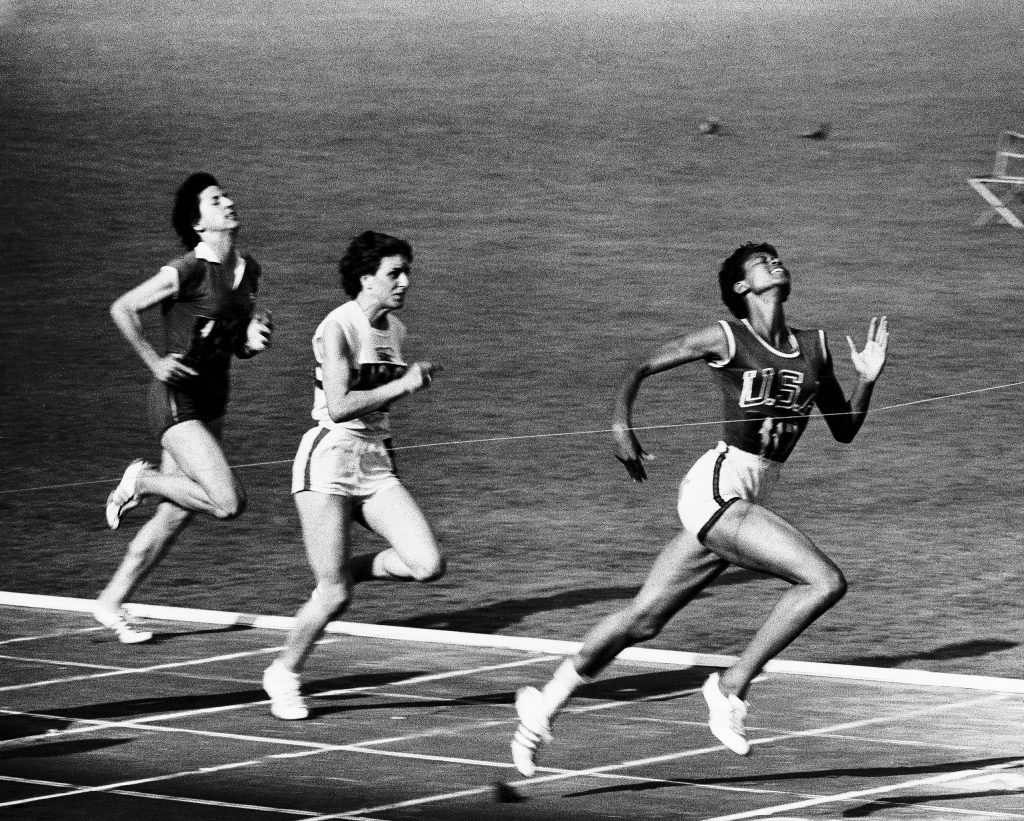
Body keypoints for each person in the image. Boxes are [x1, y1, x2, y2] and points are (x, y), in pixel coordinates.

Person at [511, 242, 889, 776]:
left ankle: (542, 704)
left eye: (776, 258)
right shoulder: (727, 336)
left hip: (752, 495)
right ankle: (730, 686)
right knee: (823, 581)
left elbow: (844, 429)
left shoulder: (814, 346)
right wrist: (622, 422)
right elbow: (641, 366)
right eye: (762, 262)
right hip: (718, 486)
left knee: (642, 620)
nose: (774, 263)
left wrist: (867, 378)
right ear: (741, 287)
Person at [261, 230, 445, 720]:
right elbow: (341, 406)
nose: (405, 281)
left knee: (427, 564)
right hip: (329, 459)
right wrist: (405, 385)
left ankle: (343, 567)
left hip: (376, 461)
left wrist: (390, 460)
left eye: (407, 272)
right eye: (394, 273)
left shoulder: (395, 332)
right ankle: (284, 673)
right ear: (366, 278)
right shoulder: (337, 327)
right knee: (335, 594)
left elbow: (379, 416)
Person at [94, 172, 273, 643]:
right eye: (216, 200)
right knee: (227, 502)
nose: (228, 202)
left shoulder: (248, 269)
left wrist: (251, 342)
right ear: (198, 223)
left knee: (175, 514)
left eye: (227, 195)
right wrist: (154, 361)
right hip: (178, 399)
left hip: (214, 400)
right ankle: (142, 479)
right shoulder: (187, 270)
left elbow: (232, 342)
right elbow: (123, 307)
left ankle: (112, 601)